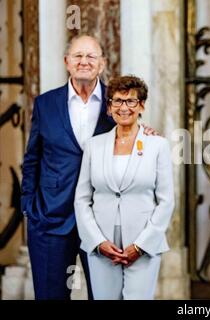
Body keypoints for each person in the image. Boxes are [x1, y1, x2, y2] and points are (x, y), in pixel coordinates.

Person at [21, 35, 157, 300]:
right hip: (50, 220)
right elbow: (32, 159)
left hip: (103, 224)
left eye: (91, 56)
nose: (84, 62)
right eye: (78, 56)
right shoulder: (45, 104)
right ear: (67, 62)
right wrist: (29, 205)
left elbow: (131, 138)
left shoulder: (116, 104)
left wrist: (146, 134)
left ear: (102, 64)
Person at [74, 75, 174, 300]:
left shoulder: (158, 145)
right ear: (109, 108)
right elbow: (82, 199)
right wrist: (97, 242)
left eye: (130, 101)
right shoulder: (94, 146)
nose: (124, 107)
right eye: (117, 101)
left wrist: (140, 246)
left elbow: (166, 201)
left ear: (141, 106)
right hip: (102, 245)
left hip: (143, 243)